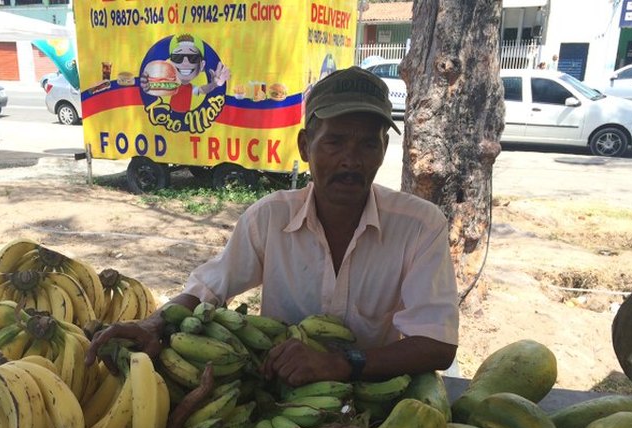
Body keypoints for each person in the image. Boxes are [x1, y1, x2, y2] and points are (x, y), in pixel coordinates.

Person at [87, 66, 459, 386]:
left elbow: (437, 344)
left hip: (375, 393)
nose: (351, 160)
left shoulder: (420, 226)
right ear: (305, 146)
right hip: (279, 394)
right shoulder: (270, 218)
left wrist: (343, 363)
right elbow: (209, 287)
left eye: (367, 145)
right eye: (334, 142)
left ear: (384, 150)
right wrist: (154, 324)